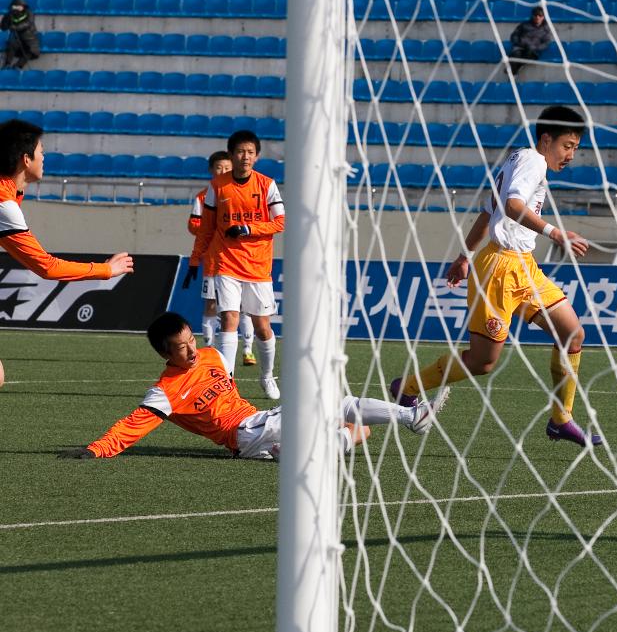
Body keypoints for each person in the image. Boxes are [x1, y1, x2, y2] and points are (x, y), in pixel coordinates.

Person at [390, 105, 600, 448]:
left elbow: (490, 211)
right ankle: (408, 387)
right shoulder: (532, 162)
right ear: (546, 139)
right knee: (482, 361)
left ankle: (561, 419)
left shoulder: (518, 160)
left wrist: (464, 256)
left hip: (523, 266)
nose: (571, 155)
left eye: (576, 148)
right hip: (500, 270)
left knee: (572, 334)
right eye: (567, 146)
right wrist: (555, 232)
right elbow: (513, 207)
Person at [56, 312, 449, 460]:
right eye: (181, 348)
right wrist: (97, 449)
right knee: (336, 402)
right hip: (243, 434)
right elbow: (134, 424)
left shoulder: (210, 356)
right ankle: (411, 416)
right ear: (165, 354)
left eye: (192, 340)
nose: (192, 350)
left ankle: (293, 452)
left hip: (259, 423)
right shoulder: (165, 390)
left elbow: (225, 386)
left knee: (357, 429)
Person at [0, 119, 134, 388]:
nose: (44, 157)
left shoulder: (9, 193)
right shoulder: (4, 203)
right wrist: (105, 270)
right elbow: (47, 267)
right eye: (41, 151)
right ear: (26, 159)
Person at [189, 129, 284, 400]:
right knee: (229, 318)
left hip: (257, 265)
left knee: (262, 325)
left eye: (251, 152)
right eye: (241, 152)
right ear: (232, 154)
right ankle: (226, 383)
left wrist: (246, 228)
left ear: (257, 156)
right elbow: (206, 229)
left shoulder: (267, 185)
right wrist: (195, 260)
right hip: (225, 264)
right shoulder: (217, 186)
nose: (246, 157)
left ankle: (267, 377)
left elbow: (280, 222)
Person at [183, 150, 255, 365]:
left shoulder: (242, 193)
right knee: (212, 305)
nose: (223, 171)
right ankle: (210, 349)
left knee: (243, 307)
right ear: (211, 170)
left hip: (242, 259)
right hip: (214, 261)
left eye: (226, 167)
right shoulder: (203, 197)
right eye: (218, 168)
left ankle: (248, 349)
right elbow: (194, 225)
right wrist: (215, 229)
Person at [506, 6, 552, 77]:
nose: (537, 17)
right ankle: (513, 71)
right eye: (535, 15)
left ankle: (513, 70)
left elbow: (546, 43)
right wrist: (518, 42)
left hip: (532, 50)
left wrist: (536, 47)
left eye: (540, 15)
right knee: (516, 54)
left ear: (543, 17)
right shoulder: (524, 25)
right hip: (520, 47)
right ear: (532, 15)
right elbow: (514, 35)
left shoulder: (545, 29)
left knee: (528, 53)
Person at [1, 0, 40, 70]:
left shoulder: (29, 13)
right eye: (15, 6)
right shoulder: (10, 15)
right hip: (17, 36)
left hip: (29, 36)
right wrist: (6, 18)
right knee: (11, 45)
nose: (17, 8)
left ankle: (18, 66)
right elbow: (3, 28)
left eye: (19, 6)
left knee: (31, 50)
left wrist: (16, 27)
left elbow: (28, 23)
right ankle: (7, 64)